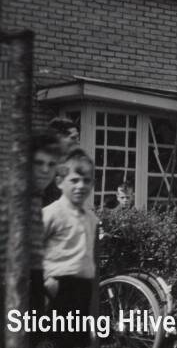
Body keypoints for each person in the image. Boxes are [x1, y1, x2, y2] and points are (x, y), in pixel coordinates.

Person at [42, 149, 98, 348]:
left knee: (79, 342)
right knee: (56, 342)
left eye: (87, 180)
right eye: (74, 180)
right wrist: (45, 283)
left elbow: (89, 261)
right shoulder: (50, 214)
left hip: (83, 289)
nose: (81, 186)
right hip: (56, 290)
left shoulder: (91, 219)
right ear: (59, 182)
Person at [30, 133, 61, 316]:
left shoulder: (39, 196)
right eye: (39, 163)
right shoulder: (18, 200)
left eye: (51, 165)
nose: (45, 170)